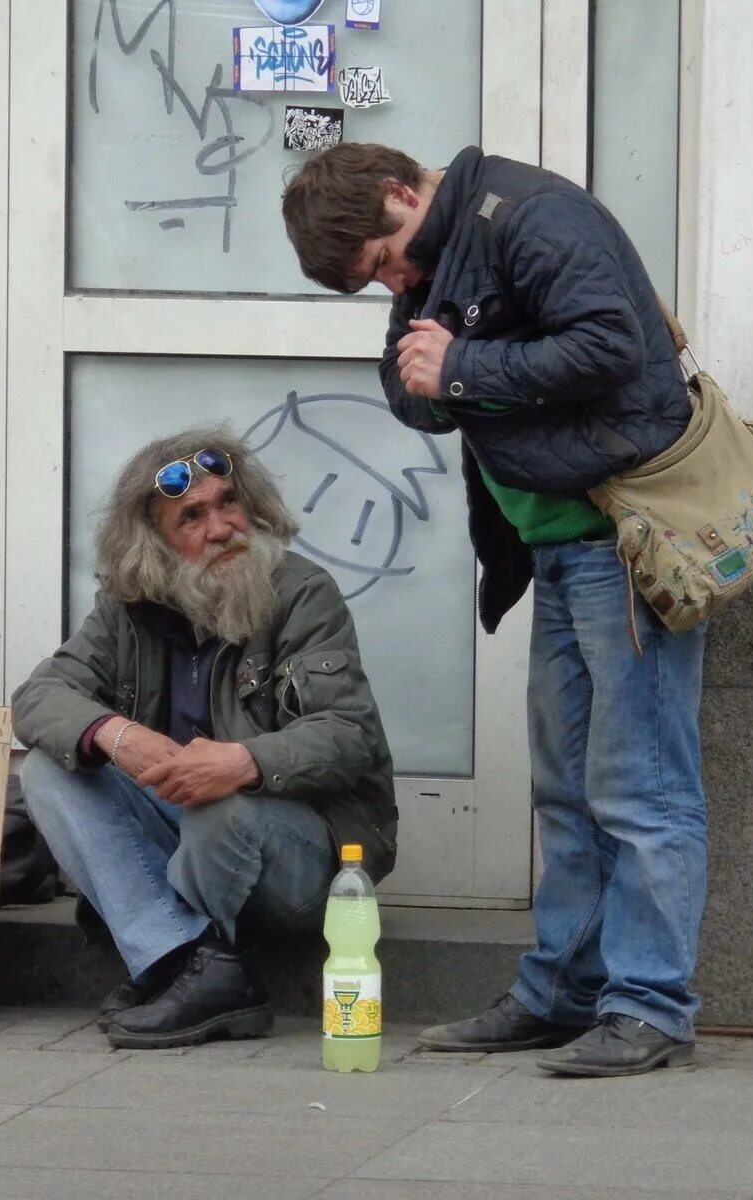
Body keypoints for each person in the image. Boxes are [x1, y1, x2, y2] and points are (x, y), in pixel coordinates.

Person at [282, 143, 706, 1078]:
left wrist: (462, 368)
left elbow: (610, 345)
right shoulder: (434, 252)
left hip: (621, 536)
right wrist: (437, 381)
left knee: (642, 790)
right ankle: (563, 992)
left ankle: (649, 1006)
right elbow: (408, 381)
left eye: (389, 257)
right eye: (378, 279)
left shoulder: (534, 216)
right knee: (566, 790)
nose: (396, 279)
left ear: (403, 191)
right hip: (551, 541)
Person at [11, 426, 396, 1049]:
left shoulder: (302, 593)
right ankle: (184, 960)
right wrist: (114, 733)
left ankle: (177, 962)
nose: (221, 529)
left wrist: (245, 762)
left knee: (222, 812)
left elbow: (348, 735)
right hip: (190, 839)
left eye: (228, 503)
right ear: (155, 545)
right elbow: (37, 698)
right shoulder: (127, 609)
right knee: (47, 770)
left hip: (300, 855)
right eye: (192, 517)